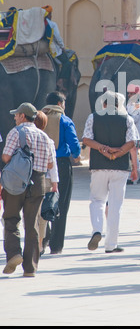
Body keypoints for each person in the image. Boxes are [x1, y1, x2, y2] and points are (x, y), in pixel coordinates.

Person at [1, 102, 56, 277]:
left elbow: (6, 156)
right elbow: (49, 164)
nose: (15, 117)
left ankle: (14, 253)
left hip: (16, 182)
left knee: (10, 218)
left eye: (16, 115)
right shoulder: (44, 136)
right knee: (32, 224)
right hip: (38, 182)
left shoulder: (15, 132)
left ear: (23, 116)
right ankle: (30, 268)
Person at [82, 90, 139, 253]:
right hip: (120, 167)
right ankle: (111, 244)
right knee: (115, 205)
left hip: (99, 166)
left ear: (103, 104)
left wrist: (103, 149)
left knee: (97, 200)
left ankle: (97, 231)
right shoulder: (127, 118)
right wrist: (118, 152)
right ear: (117, 104)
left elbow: (86, 139)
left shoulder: (93, 117)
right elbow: (132, 142)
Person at [42, 91, 81, 254]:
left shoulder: (39, 118)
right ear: (59, 104)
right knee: (61, 204)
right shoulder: (65, 120)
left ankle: (43, 237)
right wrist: (77, 155)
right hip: (61, 164)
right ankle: (56, 245)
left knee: (41, 202)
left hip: (40, 164)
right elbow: (75, 147)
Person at [34, 111, 59, 256]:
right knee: (43, 217)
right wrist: (55, 183)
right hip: (46, 180)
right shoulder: (48, 140)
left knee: (31, 214)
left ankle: (32, 241)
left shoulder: (27, 138)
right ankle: (40, 243)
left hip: (31, 179)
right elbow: (53, 165)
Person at [42, 5, 71, 88]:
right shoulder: (52, 24)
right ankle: (61, 80)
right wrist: (62, 47)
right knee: (67, 62)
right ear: (49, 14)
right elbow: (58, 38)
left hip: (40, 49)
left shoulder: (38, 24)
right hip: (52, 50)